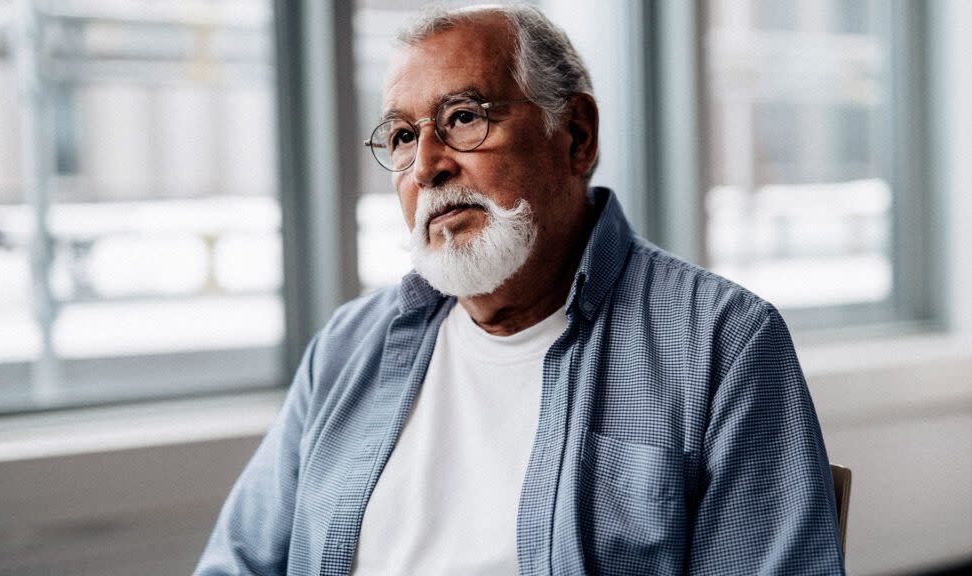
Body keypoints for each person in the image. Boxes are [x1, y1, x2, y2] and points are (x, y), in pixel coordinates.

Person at [195, 5, 844, 575]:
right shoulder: (347, 348)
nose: (426, 167)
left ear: (578, 136)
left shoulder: (721, 342)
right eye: (400, 137)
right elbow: (239, 563)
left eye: (465, 118)